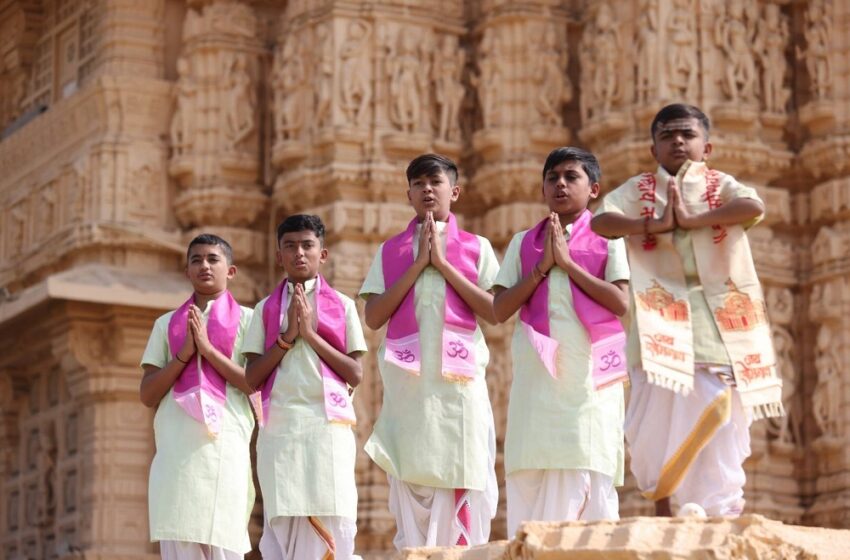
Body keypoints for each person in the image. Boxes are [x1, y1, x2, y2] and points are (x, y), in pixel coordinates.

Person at [591, 103, 784, 517]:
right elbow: (602, 220)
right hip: (658, 314)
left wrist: (693, 219)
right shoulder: (640, 189)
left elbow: (753, 207)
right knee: (653, 417)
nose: (678, 142)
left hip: (716, 317)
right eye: (667, 136)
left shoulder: (719, 184)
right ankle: (665, 509)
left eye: (687, 135)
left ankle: (719, 508)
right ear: (653, 149)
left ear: (706, 145)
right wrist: (654, 225)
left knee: (718, 403)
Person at [359, 154, 500, 549]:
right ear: (408, 195)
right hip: (409, 392)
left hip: (459, 394)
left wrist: (442, 263)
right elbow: (373, 316)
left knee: (461, 475)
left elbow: (493, 310)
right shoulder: (391, 251)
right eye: (418, 183)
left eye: (435, 182)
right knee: (410, 480)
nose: (427, 190)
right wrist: (419, 263)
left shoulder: (477, 247)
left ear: (453, 191)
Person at [492, 147, 629, 535]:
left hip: (588, 381)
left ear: (594, 189)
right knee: (532, 472)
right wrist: (541, 269)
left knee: (584, 463)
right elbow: (499, 309)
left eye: (572, 177)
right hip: (536, 381)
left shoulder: (608, 237)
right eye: (552, 178)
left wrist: (568, 265)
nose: (561, 184)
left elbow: (619, 301)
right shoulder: (524, 242)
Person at [243, 214, 366, 560]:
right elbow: (251, 378)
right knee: (283, 523)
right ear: (278, 255)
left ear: (322, 254)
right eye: (290, 246)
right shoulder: (265, 310)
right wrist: (286, 339)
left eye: (307, 245)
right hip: (280, 430)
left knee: (333, 515)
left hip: (327, 429)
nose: (299, 253)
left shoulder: (342, 305)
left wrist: (310, 335)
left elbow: (354, 373)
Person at [140, 234, 255, 560]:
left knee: (224, 542)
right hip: (176, 457)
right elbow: (148, 394)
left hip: (224, 450)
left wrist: (206, 350)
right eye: (196, 260)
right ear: (187, 271)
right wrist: (183, 357)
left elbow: (256, 383)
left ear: (230, 271)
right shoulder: (166, 325)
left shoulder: (249, 320)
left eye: (213, 259)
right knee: (181, 542)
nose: (204, 265)